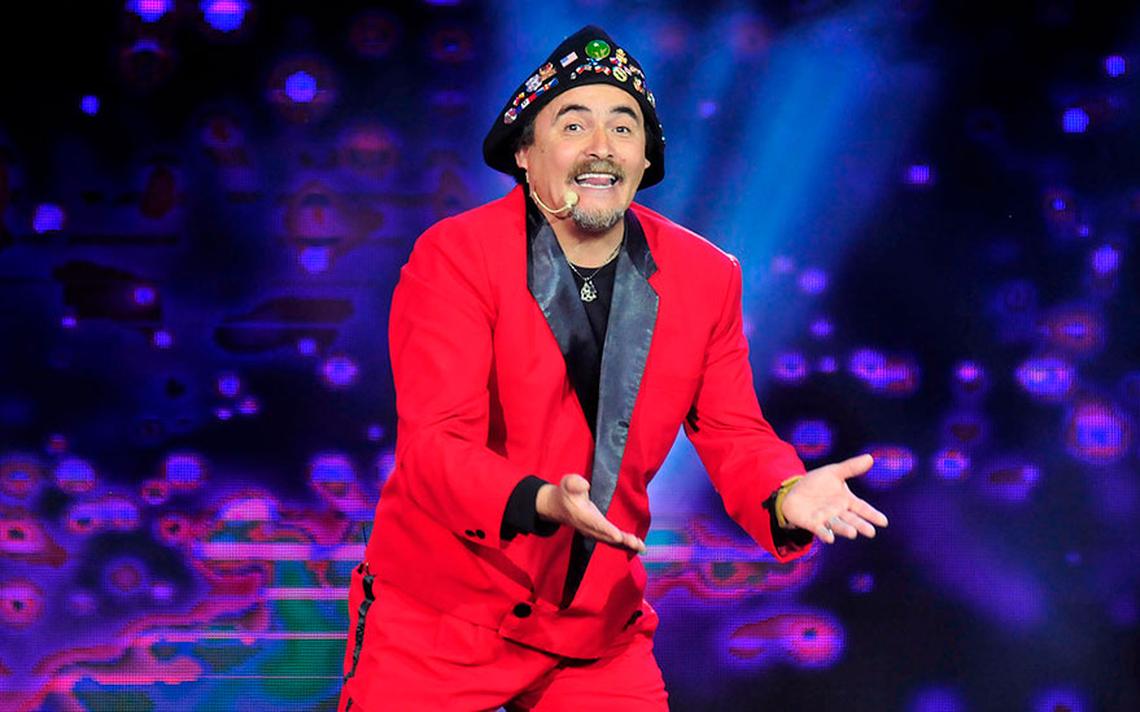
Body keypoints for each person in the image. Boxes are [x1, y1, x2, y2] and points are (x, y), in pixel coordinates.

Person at [337, 25, 888, 711]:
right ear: (524, 153)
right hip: (442, 621)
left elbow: (733, 431)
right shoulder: (455, 258)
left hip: (596, 632)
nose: (602, 145)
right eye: (574, 124)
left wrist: (783, 494)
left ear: (645, 157)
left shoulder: (704, 276)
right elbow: (435, 447)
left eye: (624, 128)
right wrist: (542, 501)